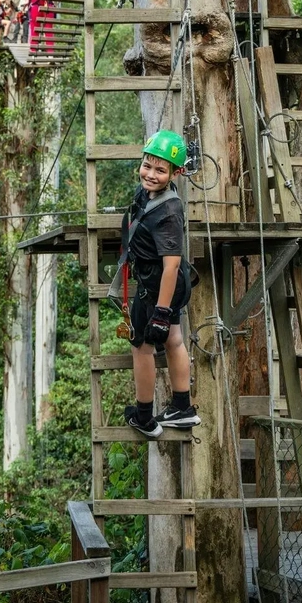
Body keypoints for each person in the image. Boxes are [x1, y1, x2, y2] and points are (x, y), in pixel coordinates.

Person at [112, 130, 201, 439]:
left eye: (160, 170)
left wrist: (161, 312)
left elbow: (172, 264)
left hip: (159, 286)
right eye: (147, 166)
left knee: (142, 347)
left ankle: (145, 416)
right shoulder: (149, 194)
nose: (150, 174)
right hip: (164, 284)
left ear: (176, 173)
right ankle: (182, 408)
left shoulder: (169, 211)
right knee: (174, 340)